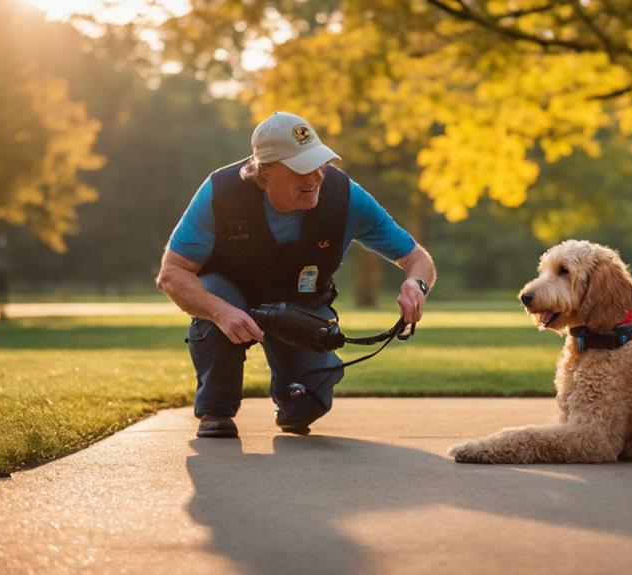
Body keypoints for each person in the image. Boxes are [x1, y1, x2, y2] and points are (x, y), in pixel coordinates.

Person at [156, 112, 435, 438]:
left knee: (309, 403)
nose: (315, 177)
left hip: (301, 305)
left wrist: (415, 283)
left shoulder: (345, 198)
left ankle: (292, 403)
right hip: (230, 300)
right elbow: (172, 273)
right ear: (265, 172)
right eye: (302, 168)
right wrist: (220, 312)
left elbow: (417, 257)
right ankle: (216, 409)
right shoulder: (221, 192)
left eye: (320, 163)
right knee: (216, 294)